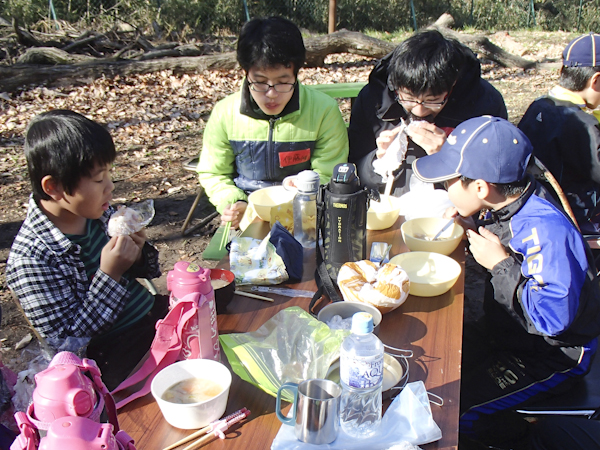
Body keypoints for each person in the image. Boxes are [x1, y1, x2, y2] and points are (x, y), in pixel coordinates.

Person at [412, 116, 600, 447]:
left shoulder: (545, 231)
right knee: (432, 369)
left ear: (481, 187)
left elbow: (555, 320)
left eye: (449, 181)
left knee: (455, 412)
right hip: (510, 334)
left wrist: (500, 264)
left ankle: (522, 439)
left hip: (554, 354)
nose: (444, 188)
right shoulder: (509, 199)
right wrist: (472, 222)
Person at [6, 110, 168, 390]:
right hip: (109, 355)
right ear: (54, 187)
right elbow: (68, 345)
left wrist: (139, 253)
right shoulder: (30, 259)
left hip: (152, 317)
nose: (110, 187)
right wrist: (110, 274)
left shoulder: (97, 214)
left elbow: (148, 270)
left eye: (109, 174)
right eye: (98, 180)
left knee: (219, 314)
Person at [198, 16, 349, 228]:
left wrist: (305, 196)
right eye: (259, 82)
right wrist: (233, 203)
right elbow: (214, 172)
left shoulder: (323, 110)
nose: (271, 94)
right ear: (246, 73)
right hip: (247, 214)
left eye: (283, 82)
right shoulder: (225, 113)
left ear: (296, 73)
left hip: (306, 213)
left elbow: (327, 172)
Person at [348, 29, 507, 196]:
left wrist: (449, 158)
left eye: (433, 100)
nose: (419, 110)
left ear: (452, 85)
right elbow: (353, 171)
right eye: (408, 98)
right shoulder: (375, 98)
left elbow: (496, 179)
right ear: (395, 85)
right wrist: (378, 162)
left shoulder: (484, 103)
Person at [518, 32, 600, 234]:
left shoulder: (539, 106)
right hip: (575, 213)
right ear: (596, 81)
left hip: (538, 199)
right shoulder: (584, 125)